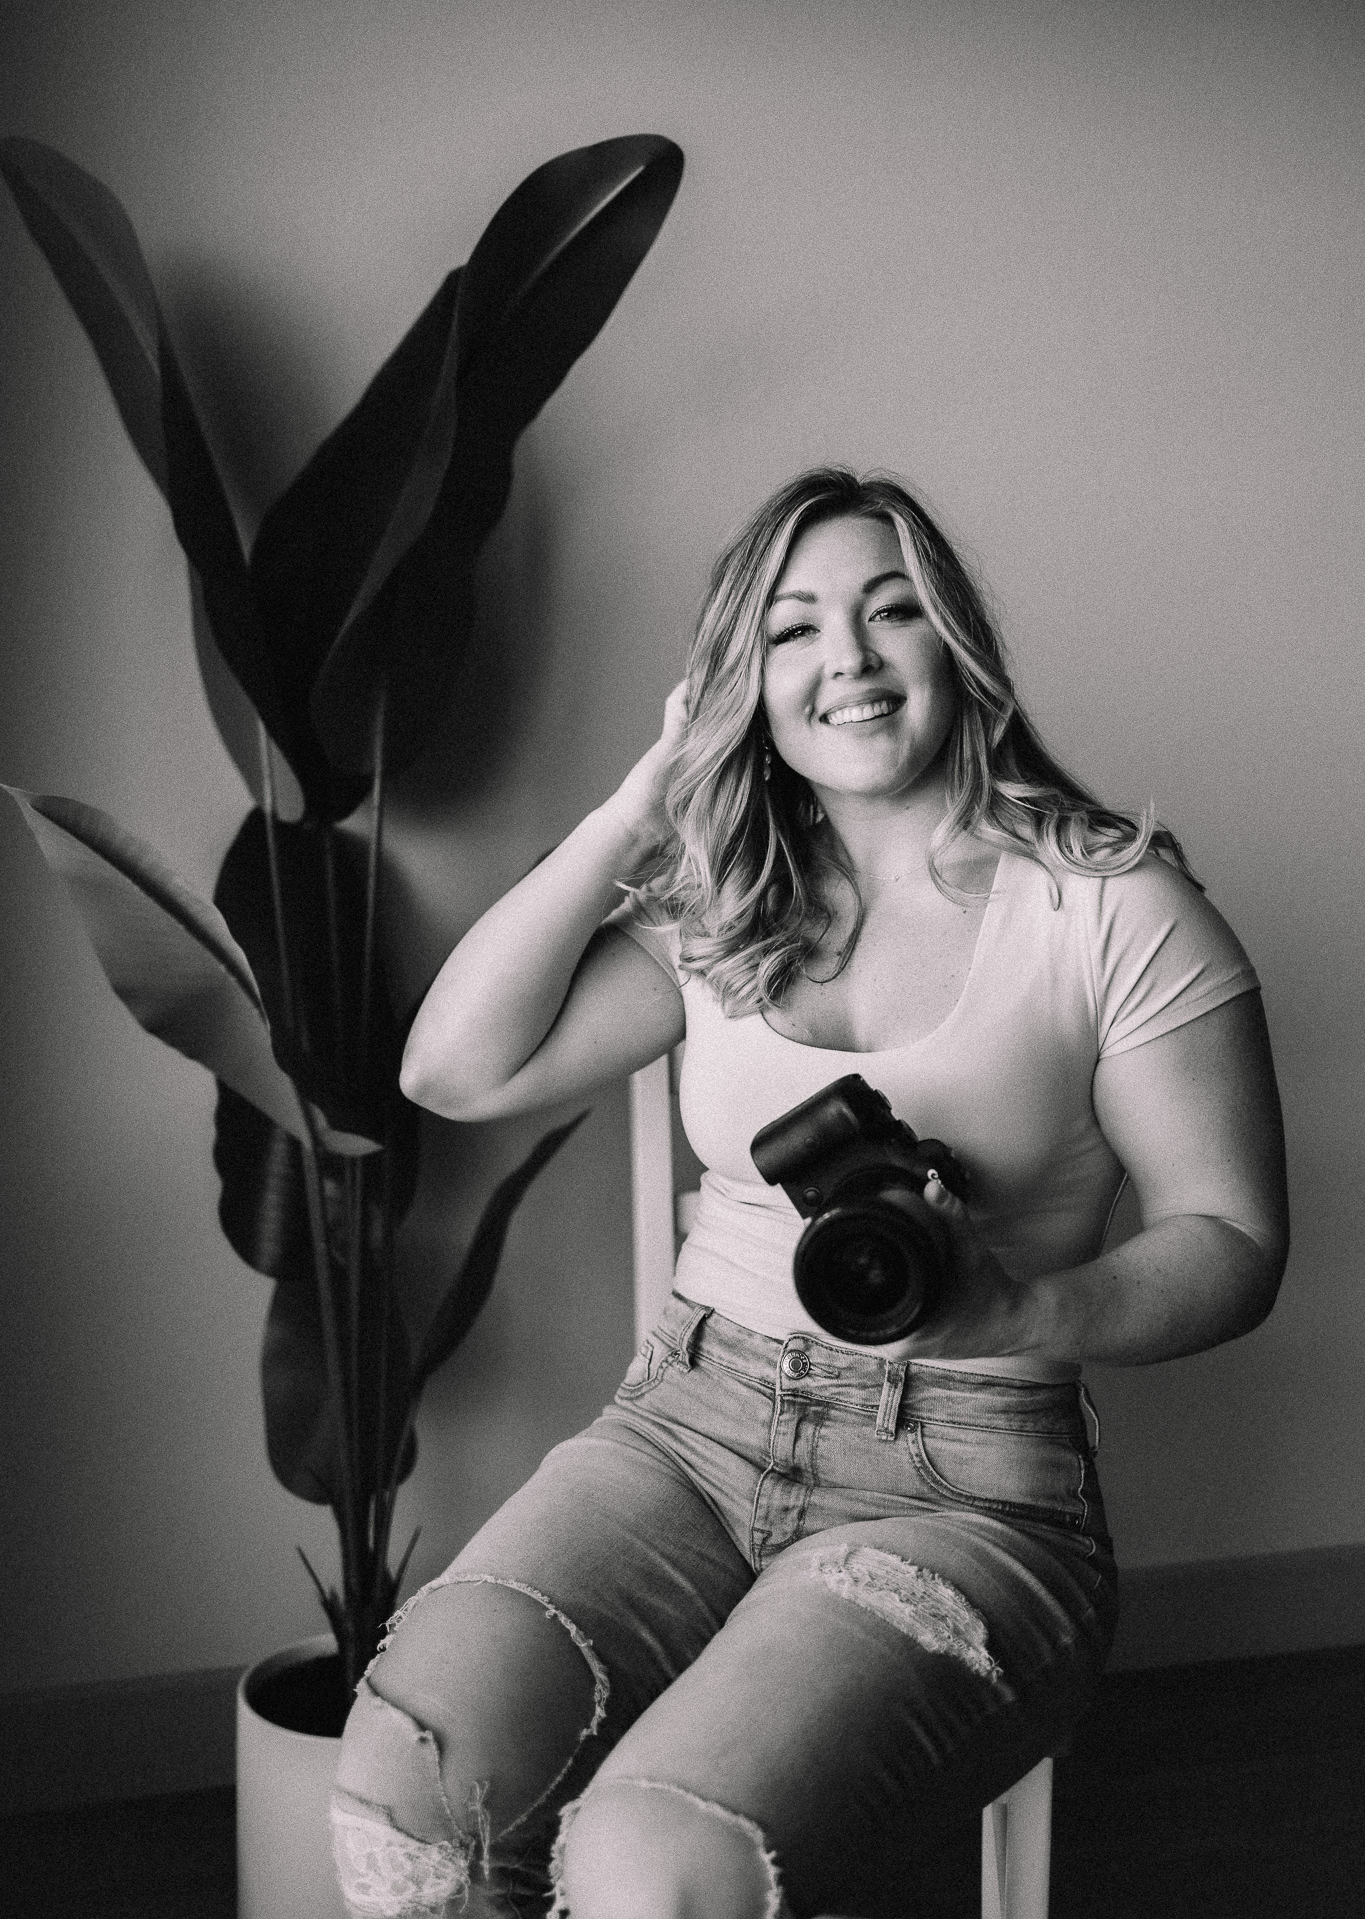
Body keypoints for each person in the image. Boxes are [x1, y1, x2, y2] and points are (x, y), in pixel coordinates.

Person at [329, 467, 1288, 1919]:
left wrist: (1017, 1303)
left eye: (889, 608)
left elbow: (1231, 1243)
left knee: (652, 1866)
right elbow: (450, 1073)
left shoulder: (1108, 904)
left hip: (967, 1480)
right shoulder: (728, 905)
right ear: (743, 682)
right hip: (680, 1431)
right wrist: (636, 810)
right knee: (410, 1807)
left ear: (955, 649)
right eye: (790, 629)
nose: (844, 655)